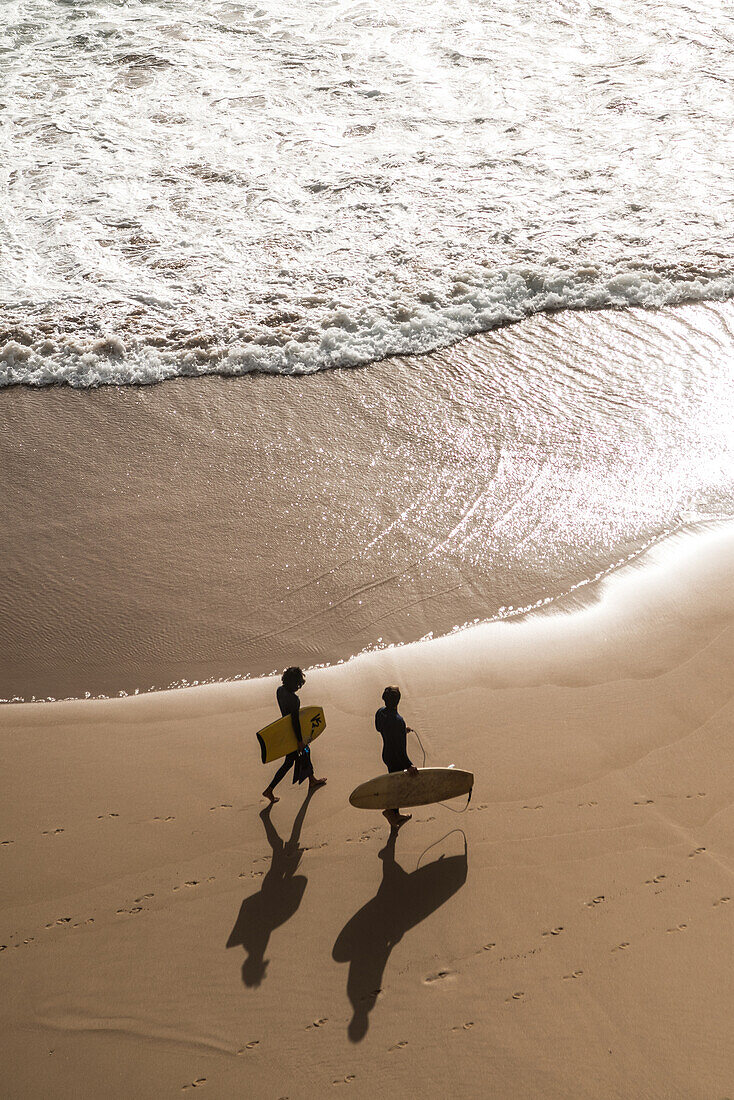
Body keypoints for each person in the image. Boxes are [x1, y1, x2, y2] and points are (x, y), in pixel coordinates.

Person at [262, 667, 327, 803]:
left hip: (285, 730)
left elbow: (289, 718)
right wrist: (299, 740)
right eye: (298, 684)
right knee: (289, 762)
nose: (299, 687)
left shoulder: (280, 690)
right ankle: (269, 789)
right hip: (293, 733)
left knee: (305, 752)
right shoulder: (294, 699)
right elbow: (295, 721)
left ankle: (312, 780)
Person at [374, 685, 418, 828]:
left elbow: (380, 728)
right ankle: (390, 813)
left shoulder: (380, 713)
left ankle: (395, 815)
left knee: (395, 783)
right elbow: (400, 749)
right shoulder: (399, 721)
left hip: (386, 754)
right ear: (398, 701)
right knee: (398, 787)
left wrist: (401, 731)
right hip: (396, 758)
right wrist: (409, 765)